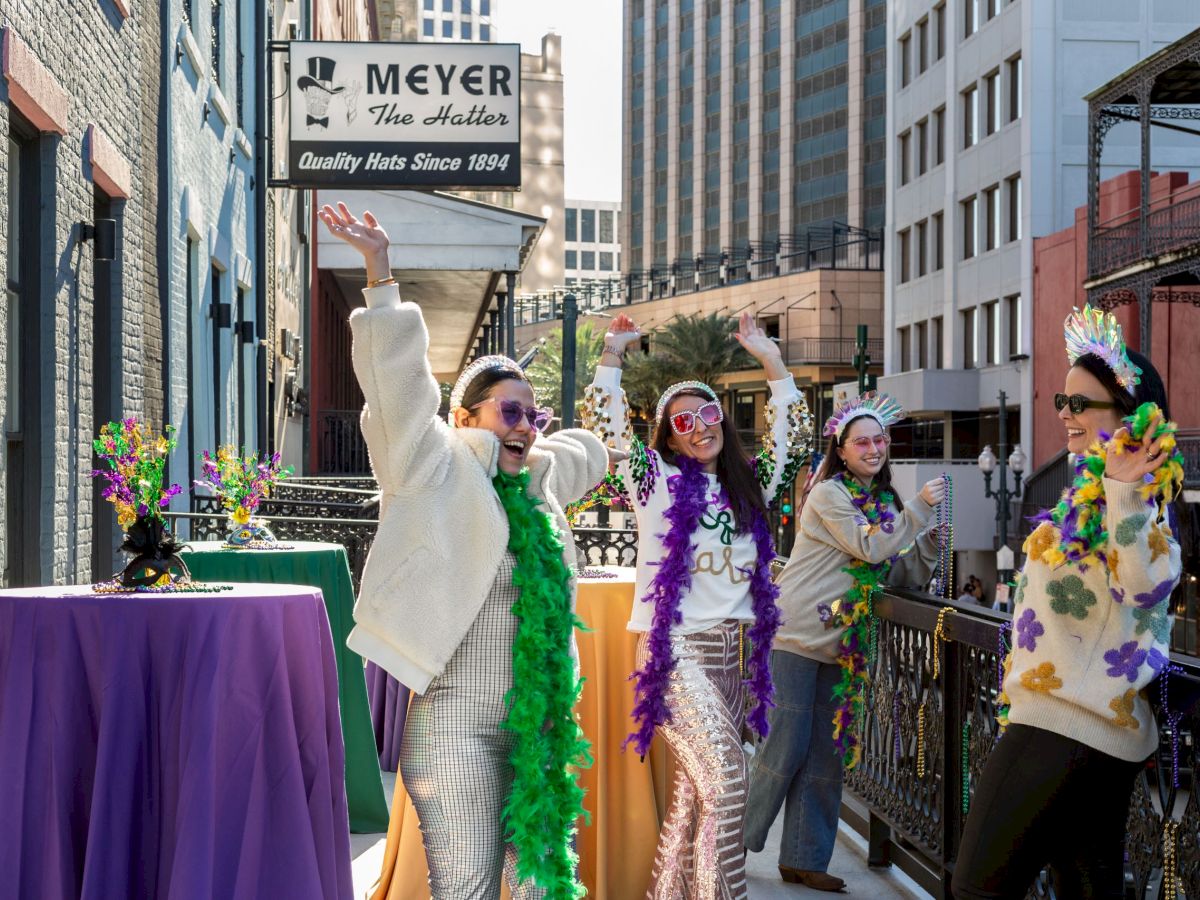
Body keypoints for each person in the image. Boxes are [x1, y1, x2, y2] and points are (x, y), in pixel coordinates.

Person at [319, 202, 611, 899]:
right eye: (509, 412)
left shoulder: (539, 483)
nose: (526, 427)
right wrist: (380, 275)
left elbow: (592, 452)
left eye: (533, 414)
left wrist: (537, 440)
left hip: (540, 723)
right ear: (464, 418)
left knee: (544, 888)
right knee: (468, 890)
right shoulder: (430, 469)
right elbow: (397, 392)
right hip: (455, 725)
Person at [952, 305, 1184, 899]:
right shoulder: (1091, 496)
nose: (1064, 413)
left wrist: (1127, 489)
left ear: (1129, 418)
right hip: (1079, 733)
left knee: (977, 888)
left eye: (1080, 404)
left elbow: (1148, 584)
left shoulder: (1137, 499)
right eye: (1062, 400)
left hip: (1065, 731)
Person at [582, 311, 813, 899]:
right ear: (669, 434)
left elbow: (795, 437)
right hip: (676, 654)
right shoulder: (652, 479)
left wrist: (772, 362)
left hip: (736, 660)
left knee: (695, 798)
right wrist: (611, 356)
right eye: (683, 420)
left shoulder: (751, 484)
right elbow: (607, 430)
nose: (700, 426)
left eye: (709, 414)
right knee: (731, 785)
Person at [742, 392, 947, 892]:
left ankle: (805, 859)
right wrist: (918, 509)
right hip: (795, 634)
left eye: (880, 440)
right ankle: (731, 839)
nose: (874, 448)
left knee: (826, 755)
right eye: (862, 442)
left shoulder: (883, 503)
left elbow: (895, 571)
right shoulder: (829, 494)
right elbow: (871, 545)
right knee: (784, 744)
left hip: (840, 645)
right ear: (842, 446)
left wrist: (927, 545)